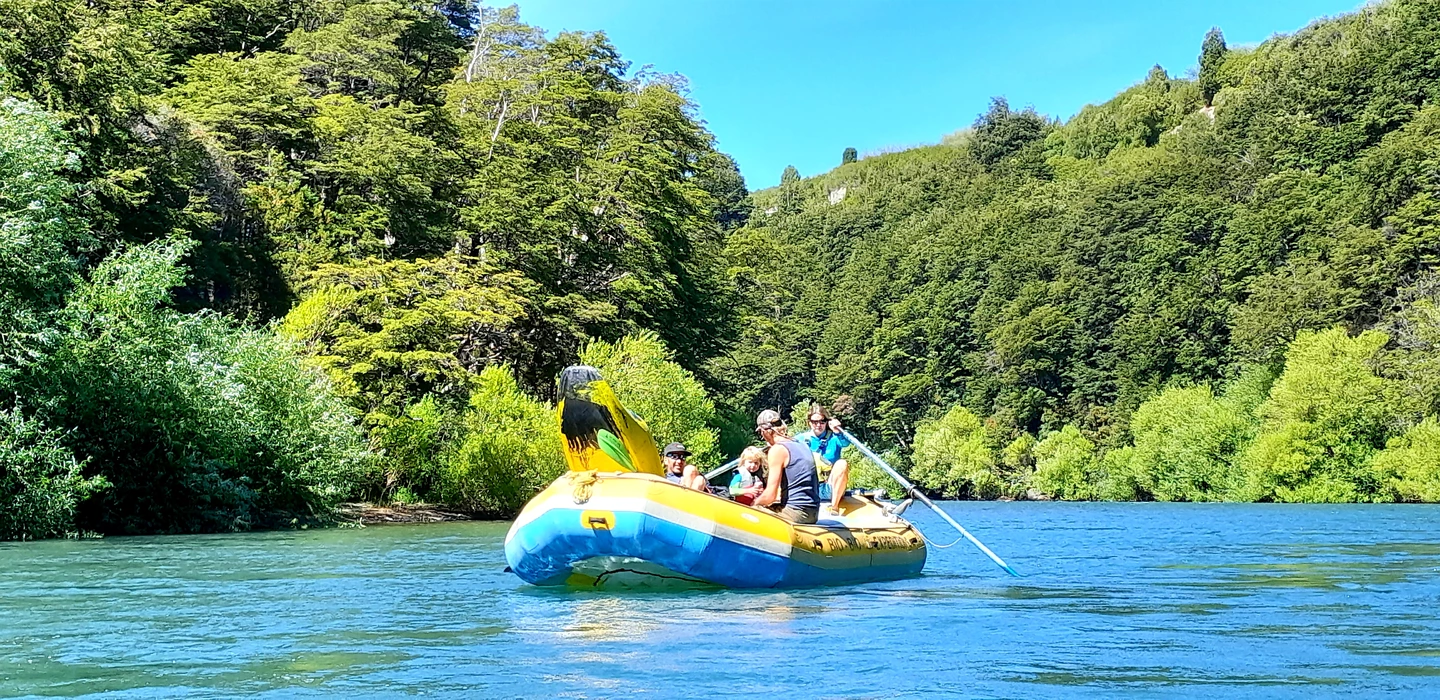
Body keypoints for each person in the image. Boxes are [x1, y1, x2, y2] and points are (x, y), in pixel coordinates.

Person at [752, 410, 819, 524]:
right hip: (813, 513)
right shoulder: (801, 444)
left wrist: (753, 505)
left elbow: (770, 496)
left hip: (796, 513)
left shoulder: (778, 450)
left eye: (761, 433)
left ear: (765, 431)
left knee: (752, 511)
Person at [793, 405, 852, 514]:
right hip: (808, 487)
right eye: (815, 422)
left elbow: (846, 443)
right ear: (809, 422)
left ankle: (834, 507)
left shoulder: (835, 438)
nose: (818, 425)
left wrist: (838, 430)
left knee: (842, 463)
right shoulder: (799, 439)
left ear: (827, 422)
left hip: (829, 487)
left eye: (822, 421)